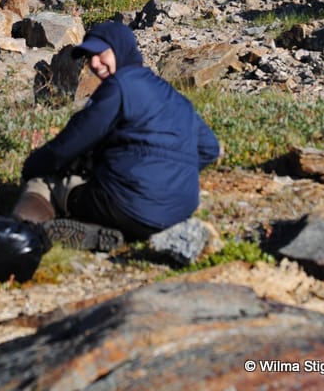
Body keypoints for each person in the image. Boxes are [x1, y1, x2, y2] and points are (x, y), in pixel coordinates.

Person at [12, 19, 220, 250]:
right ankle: (102, 233)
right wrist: (171, 173)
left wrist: (32, 167)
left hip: (126, 205)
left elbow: (72, 142)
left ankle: (21, 235)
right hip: (178, 212)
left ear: (121, 49)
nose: (94, 63)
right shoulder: (174, 97)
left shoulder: (120, 85)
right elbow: (209, 148)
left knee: (45, 182)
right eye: (88, 57)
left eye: (101, 54)